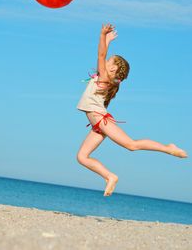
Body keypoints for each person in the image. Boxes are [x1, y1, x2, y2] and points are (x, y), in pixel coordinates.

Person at [76, 23, 188, 197]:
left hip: (101, 121)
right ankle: (109, 176)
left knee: (131, 145)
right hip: (96, 126)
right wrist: (107, 40)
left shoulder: (105, 78)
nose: (104, 62)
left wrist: (102, 36)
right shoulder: (103, 77)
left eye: (108, 61)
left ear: (111, 69)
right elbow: (102, 55)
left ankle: (168, 148)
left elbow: (100, 54)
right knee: (82, 157)